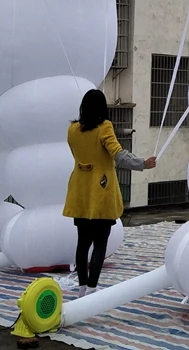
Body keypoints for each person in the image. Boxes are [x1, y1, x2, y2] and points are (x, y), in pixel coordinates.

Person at [63, 89, 156, 296]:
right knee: (100, 243)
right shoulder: (105, 127)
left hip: (79, 191)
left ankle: (81, 287)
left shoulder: (72, 130)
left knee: (82, 243)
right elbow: (119, 156)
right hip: (101, 191)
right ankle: (93, 290)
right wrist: (143, 163)